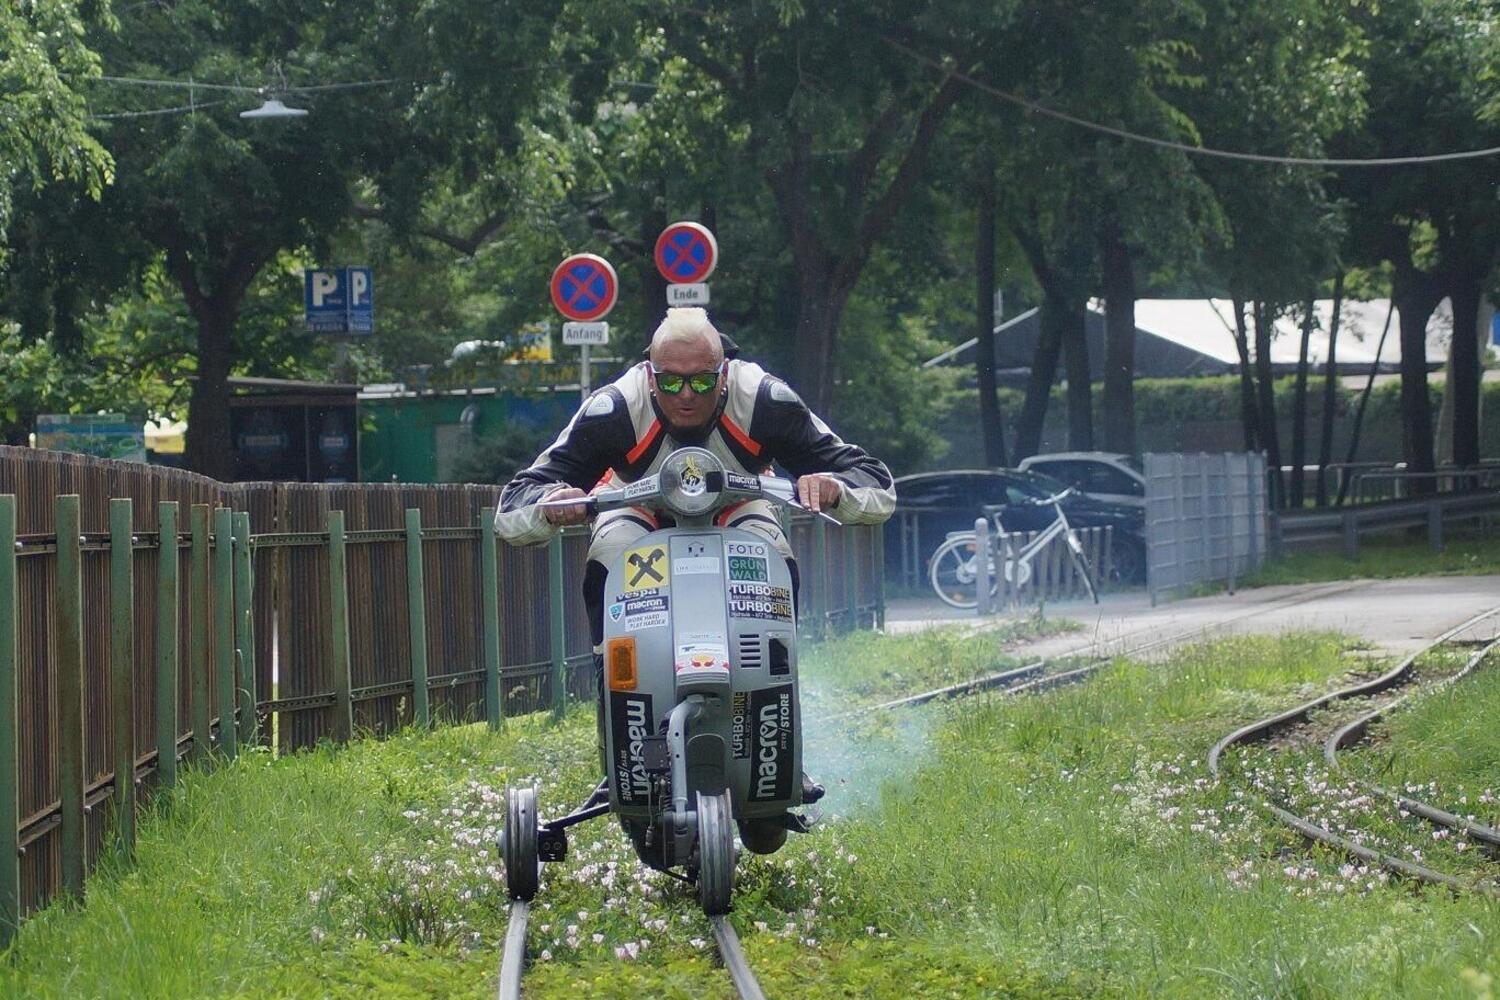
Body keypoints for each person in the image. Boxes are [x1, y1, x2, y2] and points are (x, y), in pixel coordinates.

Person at [494, 307, 895, 851]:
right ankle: (621, 725)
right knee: (608, 548)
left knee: (771, 548)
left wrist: (833, 487)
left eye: (703, 380)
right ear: (650, 375)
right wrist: (550, 503)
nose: (687, 395)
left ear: (724, 373)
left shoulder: (765, 399)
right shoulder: (615, 407)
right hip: (640, 514)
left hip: (739, 508)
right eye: (671, 382)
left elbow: (874, 481)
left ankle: (776, 743)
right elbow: (515, 501)